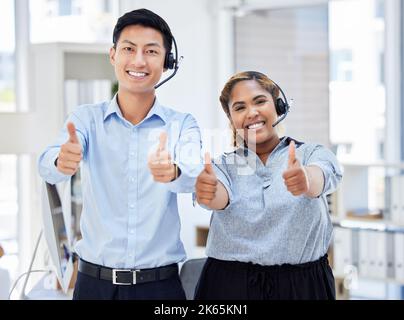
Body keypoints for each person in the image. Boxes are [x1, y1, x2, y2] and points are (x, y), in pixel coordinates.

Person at [38, 8, 202, 300]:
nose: (139, 61)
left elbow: (193, 175)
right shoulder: (85, 119)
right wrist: (61, 161)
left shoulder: (182, 124)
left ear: (167, 61)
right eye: (129, 49)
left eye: (151, 51)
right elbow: (46, 166)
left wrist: (173, 171)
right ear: (113, 55)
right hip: (93, 285)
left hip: (160, 287)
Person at [194, 71, 342, 300]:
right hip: (230, 286)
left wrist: (305, 179)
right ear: (231, 118)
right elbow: (218, 195)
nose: (251, 113)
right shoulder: (222, 165)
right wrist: (208, 191)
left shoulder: (312, 153)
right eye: (240, 107)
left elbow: (323, 175)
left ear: (279, 106)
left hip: (303, 287)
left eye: (260, 101)